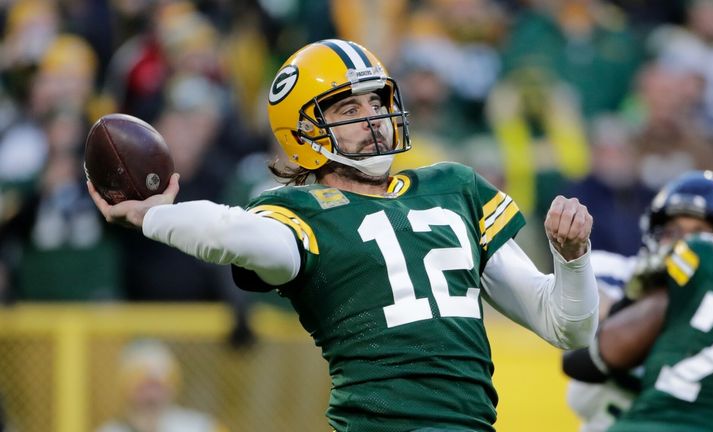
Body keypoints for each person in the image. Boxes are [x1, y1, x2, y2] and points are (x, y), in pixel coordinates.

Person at [87, 39, 599, 431]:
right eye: (348, 110)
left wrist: (572, 259)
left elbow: (566, 327)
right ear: (303, 130)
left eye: (376, 102)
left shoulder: (455, 187)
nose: (373, 120)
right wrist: (152, 215)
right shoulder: (298, 213)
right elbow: (235, 234)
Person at [568, 171, 713, 431]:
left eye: (700, 233)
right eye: (672, 231)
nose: (682, 243)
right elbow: (578, 352)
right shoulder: (617, 273)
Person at [96, 339, 227, 432]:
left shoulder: (202, 427)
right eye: (144, 386)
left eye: (158, 386)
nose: (152, 395)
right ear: (126, 388)